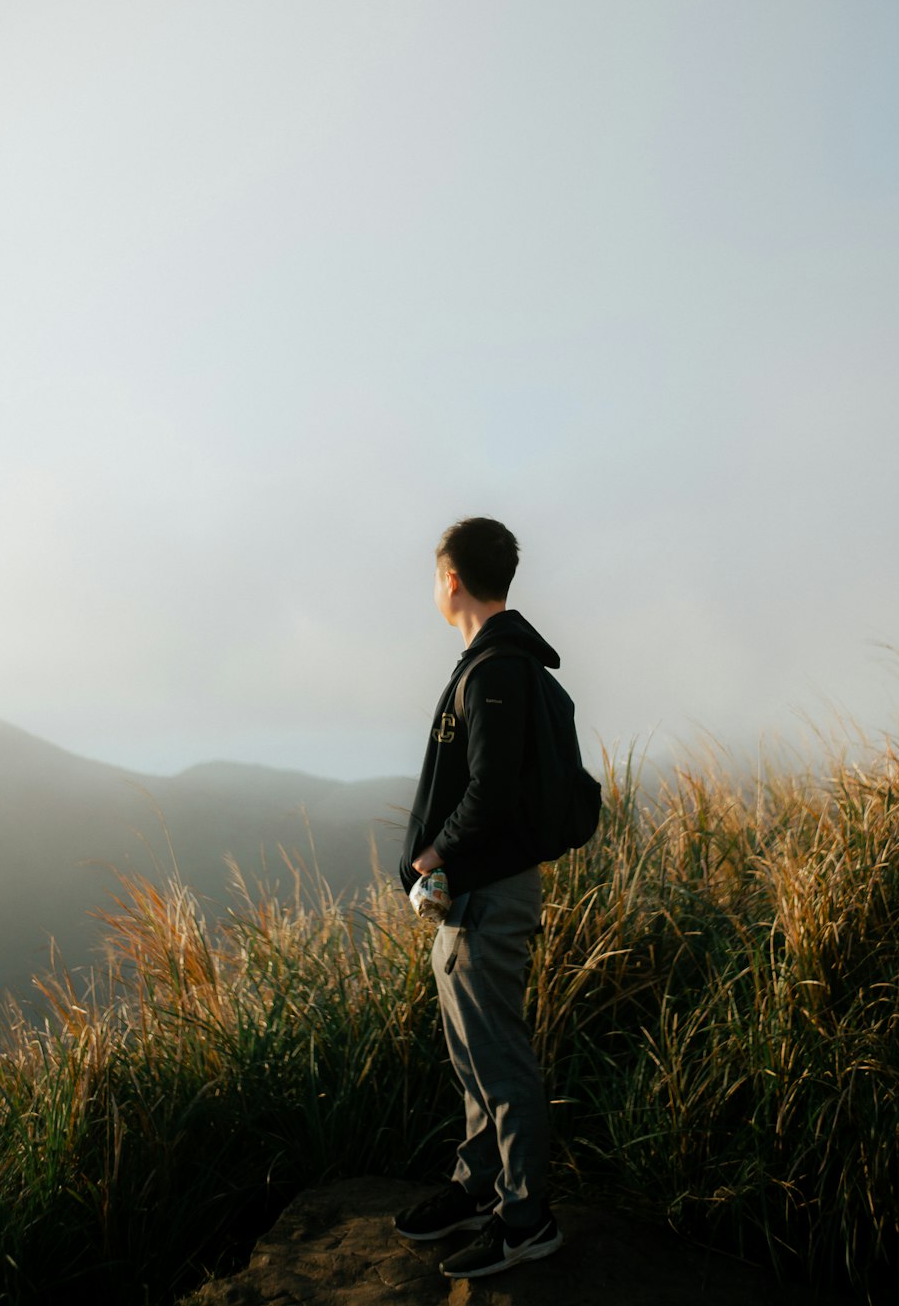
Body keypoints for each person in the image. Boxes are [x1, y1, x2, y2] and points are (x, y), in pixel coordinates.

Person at [394, 516, 565, 1280]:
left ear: (452, 579)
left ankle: (526, 1218)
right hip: (471, 897)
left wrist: (433, 853)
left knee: (497, 1055)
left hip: (488, 894)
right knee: (472, 1052)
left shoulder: (495, 667)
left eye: (435, 576)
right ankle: (480, 1184)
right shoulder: (492, 661)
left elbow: (492, 789)